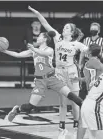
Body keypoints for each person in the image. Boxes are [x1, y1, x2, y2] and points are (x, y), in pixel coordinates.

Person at [0, 32, 83, 123]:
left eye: (40, 36)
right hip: (40, 81)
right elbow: (18, 54)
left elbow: (44, 53)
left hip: (52, 78)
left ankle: (86, 106)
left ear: (45, 39)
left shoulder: (50, 49)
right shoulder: (33, 51)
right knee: (30, 106)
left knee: (71, 95)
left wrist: (34, 49)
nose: (37, 37)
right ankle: (17, 110)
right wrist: (4, 51)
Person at [28, 6, 88, 139]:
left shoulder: (76, 44)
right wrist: (37, 13)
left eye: (67, 28)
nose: (64, 29)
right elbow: (45, 23)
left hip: (72, 72)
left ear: (71, 32)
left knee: (74, 102)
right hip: (59, 72)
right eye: (64, 27)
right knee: (62, 102)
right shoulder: (57, 38)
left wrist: (88, 57)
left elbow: (89, 50)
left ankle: (76, 125)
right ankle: (62, 126)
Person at [71, 44, 103, 139]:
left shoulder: (93, 61)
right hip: (90, 92)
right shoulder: (90, 62)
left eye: (88, 48)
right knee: (83, 121)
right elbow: (88, 78)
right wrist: (78, 79)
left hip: (94, 93)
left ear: (89, 51)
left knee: (84, 121)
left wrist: (97, 79)